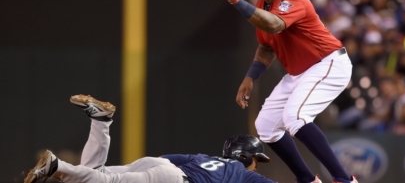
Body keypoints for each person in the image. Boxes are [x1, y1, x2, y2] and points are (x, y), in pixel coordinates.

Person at [222, 0, 357, 183]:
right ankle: (307, 179)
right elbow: (266, 46)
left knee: (296, 117)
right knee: (265, 126)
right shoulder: (261, 5)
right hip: (300, 73)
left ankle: (344, 179)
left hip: (327, 63)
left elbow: (274, 25)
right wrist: (250, 77)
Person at [24, 94, 277, 183]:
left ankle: (100, 121)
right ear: (244, 156)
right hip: (172, 179)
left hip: (161, 167)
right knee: (103, 182)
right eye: (256, 159)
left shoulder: (206, 158)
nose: (257, 165)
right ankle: (56, 166)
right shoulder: (245, 176)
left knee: (94, 173)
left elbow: (161, 159)